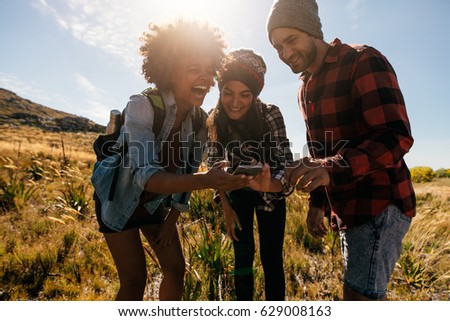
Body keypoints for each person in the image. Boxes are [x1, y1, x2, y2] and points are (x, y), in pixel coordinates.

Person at [91, 19, 252, 301]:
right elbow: (146, 176)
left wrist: (171, 219)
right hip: (118, 199)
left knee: (176, 270)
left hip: (154, 205)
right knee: (134, 280)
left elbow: (188, 173)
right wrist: (207, 180)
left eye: (208, 71)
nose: (204, 79)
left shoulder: (201, 120)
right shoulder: (141, 106)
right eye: (193, 70)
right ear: (169, 71)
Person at [266, 0, 416, 300]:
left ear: (312, 30)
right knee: (364, 295)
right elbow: (320, 153)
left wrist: (329, 169)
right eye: (277, 47)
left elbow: (395, 137)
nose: (284, 53)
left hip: (379, 204)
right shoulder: (305, 87)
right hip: (346, 208)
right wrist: (317, 204)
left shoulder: (362, 60)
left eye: (290, 40)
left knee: (358, 298)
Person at [206, 49, 294, 300]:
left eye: (245, 94)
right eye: (227, 93)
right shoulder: (216, 120)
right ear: (220, 91)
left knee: (271, 258)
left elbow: (286, 167)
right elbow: (213, 167)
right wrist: (226, 208)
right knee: (242, 255)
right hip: (236, 195)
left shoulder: (270, 114)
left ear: (254, 94)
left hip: (270, 194)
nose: (235, 102)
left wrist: (267, 187)